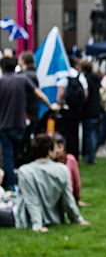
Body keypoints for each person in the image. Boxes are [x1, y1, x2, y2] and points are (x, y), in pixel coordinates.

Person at [0, 134, 90, 232]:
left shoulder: (25, 171)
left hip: (23, 218)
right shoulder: (62, 169)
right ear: (49, 151)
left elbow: (32, 200)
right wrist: (77, 218)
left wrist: (37, 225)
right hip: (52, 217)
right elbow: (68, 198)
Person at [0, 57, 55, 190]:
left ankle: (12, 183)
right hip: (20, 124)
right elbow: (39, 94)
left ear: (2, 68)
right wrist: (50, 106)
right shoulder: (23, 79)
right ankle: (17, 180)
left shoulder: (1, 82)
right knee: (17, 153)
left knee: (7, 155)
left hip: (4, 124)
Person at [56, 58, 88, 160]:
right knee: (75, 132)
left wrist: (59, 104)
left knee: (65, 133)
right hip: (77, 109)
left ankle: (65, 154)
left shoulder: (63, 75)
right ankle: (75, 155)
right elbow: (86, 93)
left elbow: (60, 94)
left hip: (67, 109)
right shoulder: (80, 76)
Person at [51, 133, 89, 207]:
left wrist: (77, 198)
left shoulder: (70, 159)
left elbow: (76, 180)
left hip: (67, 195)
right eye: (54, 148)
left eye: (59, 147)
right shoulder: (47, 162)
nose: (57, 150)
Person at [80, 60, 102, 164]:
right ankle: (91, 155)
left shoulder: (86, 80)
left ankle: (90, 157)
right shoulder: (96, 79)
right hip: (96, 109)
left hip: (89, 110)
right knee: (93, 133)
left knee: (90, 134)